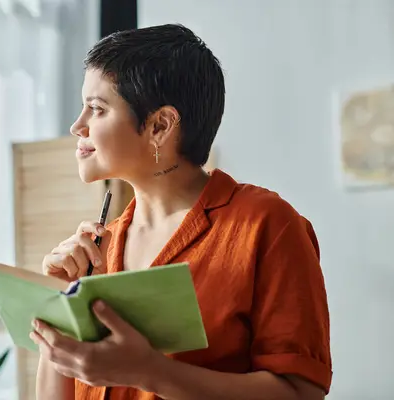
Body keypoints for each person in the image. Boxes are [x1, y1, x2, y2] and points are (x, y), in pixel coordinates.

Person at [30, 24, 332, 400]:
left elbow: (301, 392)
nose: (78, 126)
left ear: (160, 125)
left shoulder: (266, 225)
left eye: (96, 109)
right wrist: (56, 304)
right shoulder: (96, 249)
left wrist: (150, 372)